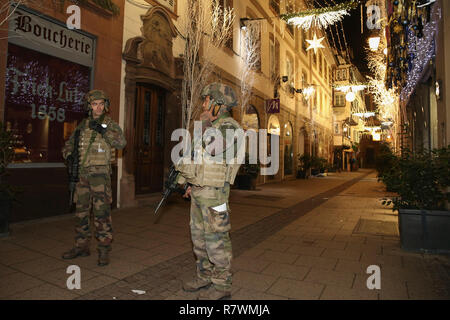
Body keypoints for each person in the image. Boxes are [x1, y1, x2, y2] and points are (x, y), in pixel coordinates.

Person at [175, 83, 242, 300]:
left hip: (216, 195)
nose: (203, 104)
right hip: (199, 192)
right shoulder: (208, 126)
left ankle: (222, 286)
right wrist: (186, 182)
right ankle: (204, 276)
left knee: (217, 240)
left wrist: (203, 124)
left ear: (218, 104)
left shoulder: (230, 127)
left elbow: (213, 147)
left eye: (206, 100)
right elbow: (195, 157)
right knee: (199, 239)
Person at [61, 89, 126, 266]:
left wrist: (104, 131)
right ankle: (81, 246)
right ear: (89, 106)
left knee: (101, 214)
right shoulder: (82, 126)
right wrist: (69, 156)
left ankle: (104, 249)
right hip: (82, 176)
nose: (98, 107)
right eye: (94, 104)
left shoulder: (110, 124)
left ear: (106, 106)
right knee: (81, 213)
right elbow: (68, 145)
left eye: (101, 104)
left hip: (100, 177)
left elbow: (121, 142)